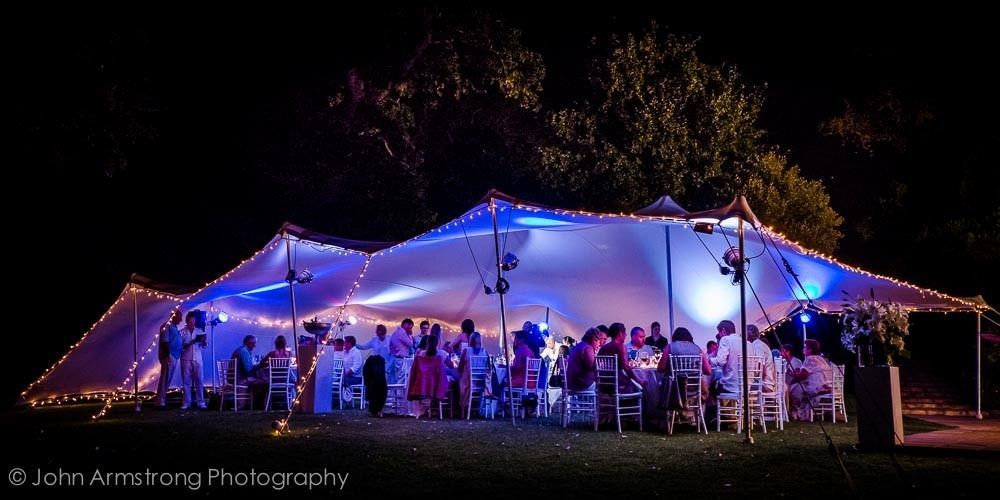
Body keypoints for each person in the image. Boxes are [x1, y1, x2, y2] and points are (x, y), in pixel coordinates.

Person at [789, 339, 834, 420]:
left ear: (810, 350)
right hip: (828, 387)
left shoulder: (810, 359)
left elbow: (803, 376)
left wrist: (792, 373)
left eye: (805, 347)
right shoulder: (822, 359)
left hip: (817, 388)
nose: (803, 349)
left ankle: (796, 412)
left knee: (794, 387)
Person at [597, 322, 642, 394]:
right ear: (620, 333)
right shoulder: (621, 347)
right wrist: (639, 380)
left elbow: (597, 365)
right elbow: (626, 367)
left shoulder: (603, 348)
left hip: (604, 384)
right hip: (619, 384)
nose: (626, 335)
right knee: (640, 387)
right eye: (624, 332)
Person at [179, 311, 207, 410]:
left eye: (193, 321)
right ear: (187, 321)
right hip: (186, 359)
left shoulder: (199, 331)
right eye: (190, 321)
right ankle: (187, 402)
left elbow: (204, 346)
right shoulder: (182, 332)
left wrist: (203, 341)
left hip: (198, 359)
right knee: (186, 382)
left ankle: (201, 402)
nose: (191, 322)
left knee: (199, 381)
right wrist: (193, 341)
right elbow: (180, 347)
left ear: (195, 321)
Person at [155, 310, 182, 409]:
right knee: (165, 379)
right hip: (169, 356)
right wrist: (168, 355)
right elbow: (165, 341)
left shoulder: (175, 327)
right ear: (173, 316)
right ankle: (159, 403)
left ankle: (162, 401)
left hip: (175, 356)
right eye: (179, 317)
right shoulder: (166, 326)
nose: (181, 319)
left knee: (167, 379)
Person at [746, 324, 776, 393]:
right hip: (764, 384)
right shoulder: (758, 344)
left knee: (739, 387)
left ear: (749, 335)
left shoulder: (758, 346)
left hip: (764, 385)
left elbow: (761, 371)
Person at [388, 318, 415, 383]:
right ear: (405, 325)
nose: (410, 328)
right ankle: (399, 393)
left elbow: (390, 346)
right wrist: (410, 335)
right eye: (410, 327)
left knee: (395, 379)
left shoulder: (396, 332)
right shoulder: (402, 332)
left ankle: (395, 393)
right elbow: (410, 344)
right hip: (400, 359)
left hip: (395, 358)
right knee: (400, 381)